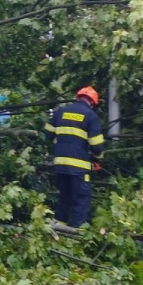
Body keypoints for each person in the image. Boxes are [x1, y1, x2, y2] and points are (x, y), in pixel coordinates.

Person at [43, 86, 104, 229]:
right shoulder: (91, 116)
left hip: (60, 165)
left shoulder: (61, 112)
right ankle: (75, 232)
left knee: (65, 196)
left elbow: (48, 133)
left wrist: (61, 144)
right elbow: (97, 146)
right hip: (79, 167)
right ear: (93, 103)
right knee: (81, 198)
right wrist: (97, 159)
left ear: (78, 98)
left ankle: (58, 227)